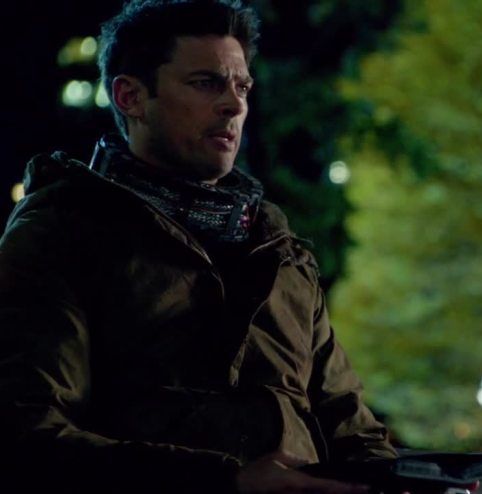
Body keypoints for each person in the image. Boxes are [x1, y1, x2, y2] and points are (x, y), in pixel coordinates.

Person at [0, 1, 400, 492]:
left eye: (242, 86)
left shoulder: (280, 254)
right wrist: (226, 482)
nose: (234, 105)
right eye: (206, 83)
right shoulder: (62, 234)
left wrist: (404, 481)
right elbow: (25, 435)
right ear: (130, 97)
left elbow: (352, 429)